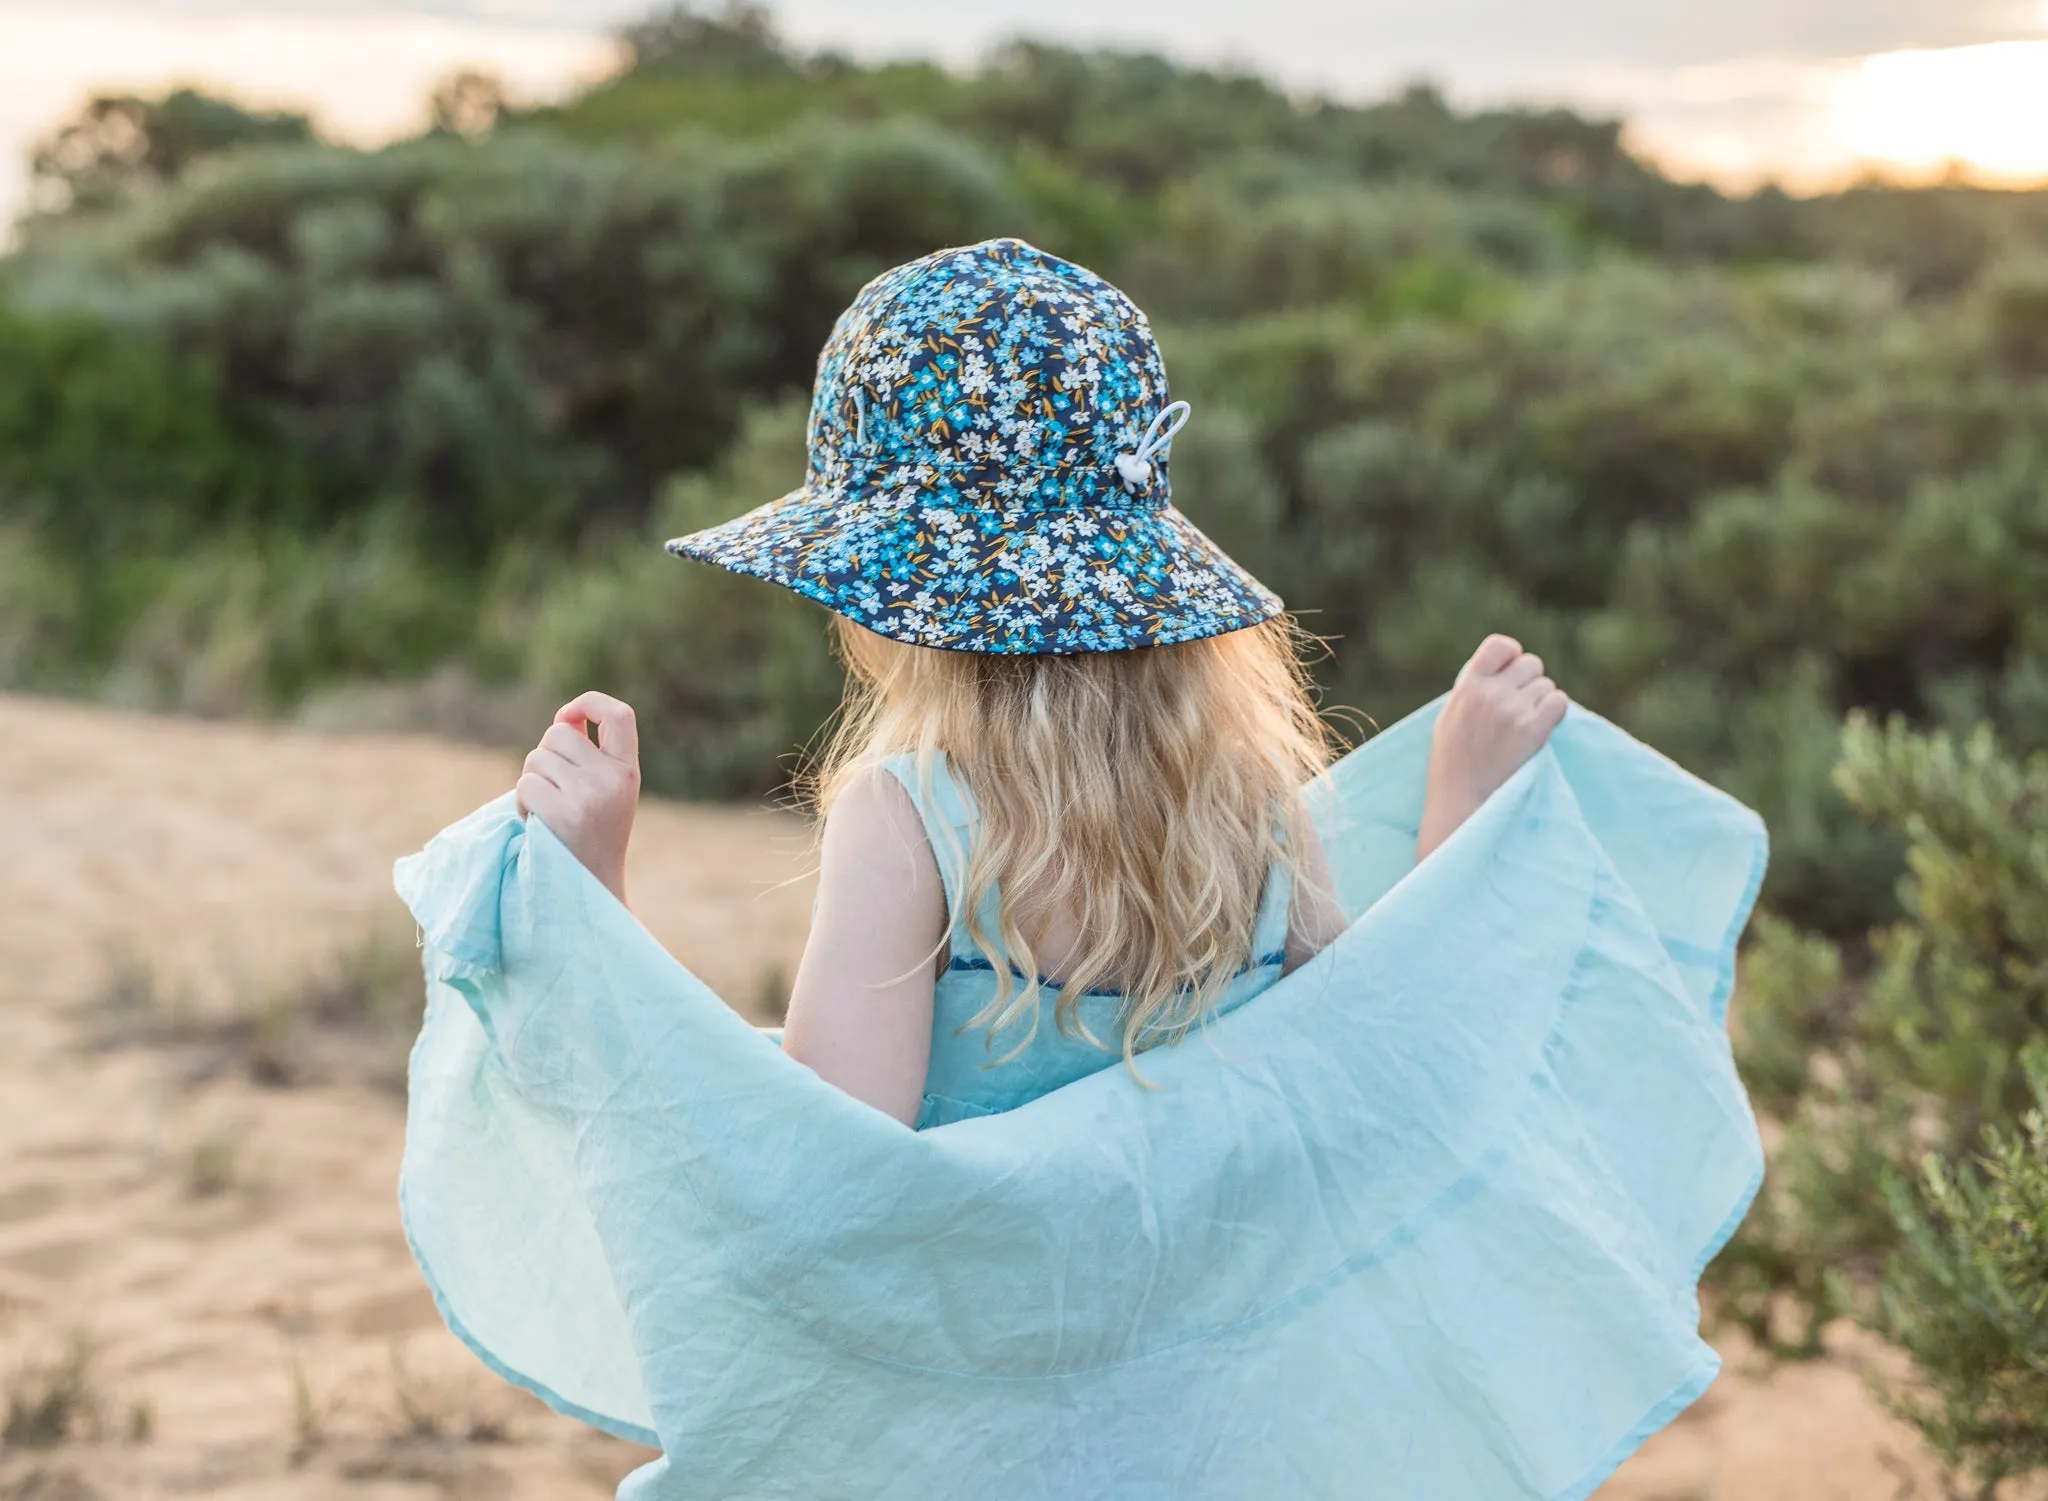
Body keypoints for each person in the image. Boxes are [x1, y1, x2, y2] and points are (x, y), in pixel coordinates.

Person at [396, 238, 1766, 1500]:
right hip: (1214, 1429)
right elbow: (1391, 1087)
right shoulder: (1255, 809)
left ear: (889, 590)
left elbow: (821, 1174)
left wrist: (588, 896)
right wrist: (1469, 815)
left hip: (973, 1429)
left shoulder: (907, 813)